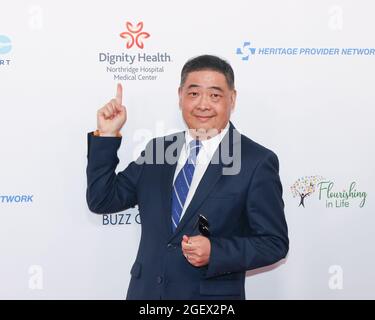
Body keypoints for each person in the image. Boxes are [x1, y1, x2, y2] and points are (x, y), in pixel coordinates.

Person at [86, 55, 289, 300]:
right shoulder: (158, 151)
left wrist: (216, 252)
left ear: (232, 99)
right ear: (180, 95)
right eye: (194, 94)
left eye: (215, 95)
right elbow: (102, 199)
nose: (203, 104)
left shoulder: (256, 161)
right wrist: (107, 136)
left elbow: (274, 243)